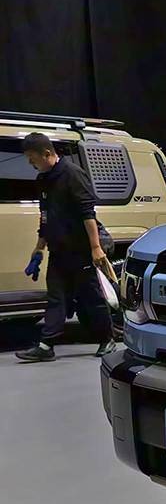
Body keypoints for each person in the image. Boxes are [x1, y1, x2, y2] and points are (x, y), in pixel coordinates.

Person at [15, 133, 116, 363]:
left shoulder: (72, 174)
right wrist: (39, 248)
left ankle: (107, 338)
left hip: (80, 249)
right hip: (58, 250)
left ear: (47, 154)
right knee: (56, 297)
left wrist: (95, 247)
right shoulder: (43, 179)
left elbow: (88, 214)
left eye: (32, 158)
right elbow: (45, 216)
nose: (30, 163)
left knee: (91, 296)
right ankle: (46, 346)